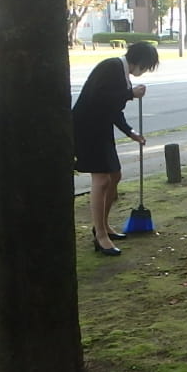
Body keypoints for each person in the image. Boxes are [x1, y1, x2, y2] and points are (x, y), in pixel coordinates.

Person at [72, 41, 158, 256]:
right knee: (101, 180)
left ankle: (103, 226)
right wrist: (131, 94)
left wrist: (131, 133)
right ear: (139, 61)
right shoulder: (110, 67)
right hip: (86, 129)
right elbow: (98, 98)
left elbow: (112, 110)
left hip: (101, 129)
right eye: (147, 66)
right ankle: (100, 236)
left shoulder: (122, 74)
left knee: (115, 176)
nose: (145, 71)